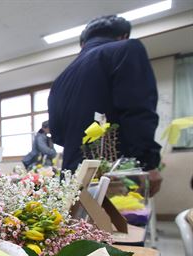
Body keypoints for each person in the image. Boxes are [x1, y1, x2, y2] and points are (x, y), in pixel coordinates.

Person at [48, 15, 162, 196]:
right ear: (123, 36)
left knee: (77, 224)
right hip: (115, 173)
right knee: (123, 223)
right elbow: (137, 110)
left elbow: (58, 135)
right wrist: (147, 163)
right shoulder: (126, 49)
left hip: (73, 177)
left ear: (82, 43)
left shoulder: (60, 80)